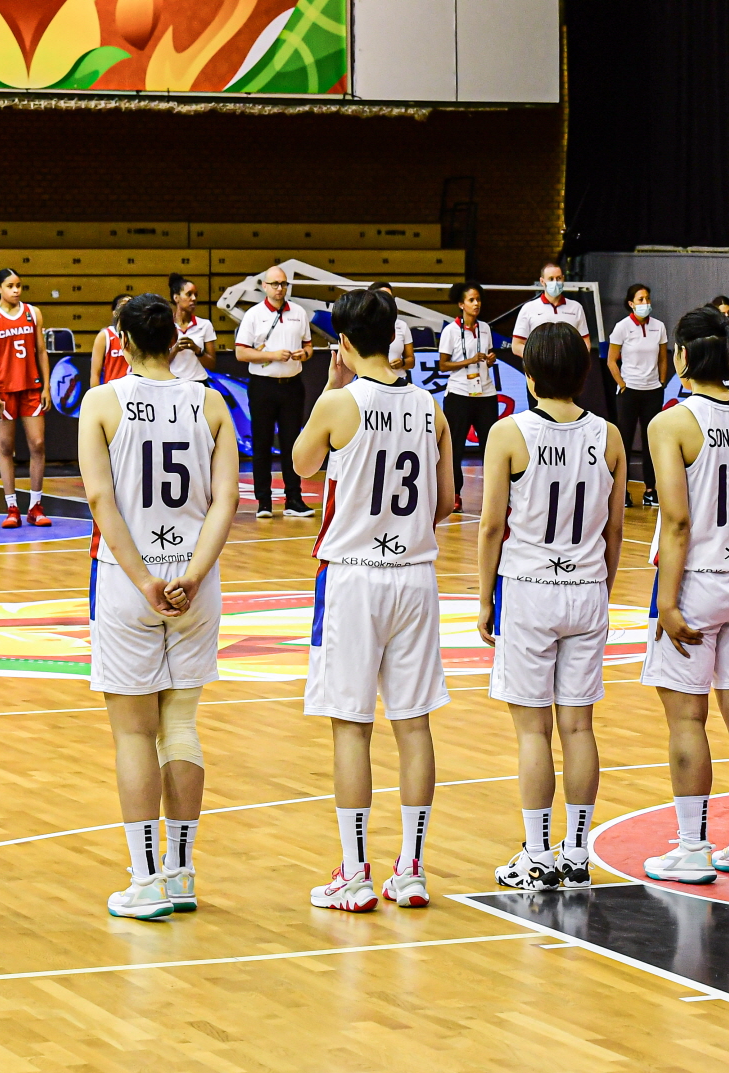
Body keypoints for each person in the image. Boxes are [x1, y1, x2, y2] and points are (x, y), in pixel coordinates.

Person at [293, 288, 456, 912]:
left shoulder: (339, 403)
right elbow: (444, 500)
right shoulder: (428, 407)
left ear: (343, 341)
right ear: (393, 337)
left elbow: (303, 466)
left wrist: (332, 385)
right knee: (413, 724)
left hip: (355, 574)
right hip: (415, 573)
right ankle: (410, 870)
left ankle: (355, 873)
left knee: (351, 727)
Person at [78, 293, 240, 920]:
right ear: (175, 340)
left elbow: (99, 499)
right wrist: (193, 574)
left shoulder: (103, 402)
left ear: (119, 338)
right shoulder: (210, 402)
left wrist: (145, 578)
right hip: (197, 581)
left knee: (132, 734)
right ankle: (181, 872)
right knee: (180, 726)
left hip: (127, 579)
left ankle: (145, 880)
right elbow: (227, 499)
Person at [478, 322, 624, 891]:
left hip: (531, 587)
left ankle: (536, 854)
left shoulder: (509, 433)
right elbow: (614, 528)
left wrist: (484, 595)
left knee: (533, 731)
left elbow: (492, 525)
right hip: (588, 588)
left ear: (529, 375)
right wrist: (603, 585)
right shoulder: (608, 435)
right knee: (579, 726)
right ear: (585, 372)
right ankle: (576, 852)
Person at [639, 306, 729, 884]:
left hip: (695, 581)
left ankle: (693, 848)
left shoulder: (670, 423)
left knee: (688, 720)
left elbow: (676, 521)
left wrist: (668, 603)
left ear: (682, 358)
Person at [234, 266, 315, 519]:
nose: (280, 288)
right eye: (275, 284)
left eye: (283, 284)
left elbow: (308, 345)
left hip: (291, 384)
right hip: (263, 386)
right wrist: (271, 355)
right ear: (264, 286)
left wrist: (305, 354)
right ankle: (264, 502)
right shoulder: (253, 315)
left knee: (293, 443)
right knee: (262, 443)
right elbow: (241, 352)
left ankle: (294, 499)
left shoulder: (298, 312)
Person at [0, 269, 51, 528]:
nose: (16, 290)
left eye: (19, 285)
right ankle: (12, 507)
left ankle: (35, 505)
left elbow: (41, 351)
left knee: (38, 444)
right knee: (6, 447)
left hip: (31, 386)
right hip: (5, 389)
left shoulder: (33, 313)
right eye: (10, 285)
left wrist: (46, 387)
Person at [608, 284, 669, 507]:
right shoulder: (622, 328)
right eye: (641, 299)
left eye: (648, 299)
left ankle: (650, 490)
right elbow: (611, 360)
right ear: (631, 303)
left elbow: (663, 357)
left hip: (652, 391)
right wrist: (622, 385)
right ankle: (621, 490)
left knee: (651, 441)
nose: (646, 303)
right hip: (629, 392)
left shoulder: (659, 327)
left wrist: (661, 382)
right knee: (623, 441)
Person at [437, 282, 496, 514]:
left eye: (478, 299)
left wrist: (489, 359)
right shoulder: (450, 331)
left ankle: (496, 494)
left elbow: (489, 355)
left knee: (491, 446)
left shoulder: (485, 328)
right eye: (471, 300)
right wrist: (469, 361)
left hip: (485, 393)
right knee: (456, 447)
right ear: (461, 304)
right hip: (459, 394)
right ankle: (455, 494)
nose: (476, 304)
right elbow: (443, 365)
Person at [511, 263, 591, 359]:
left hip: (568, 369)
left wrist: (575, 361)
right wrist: (538, 358)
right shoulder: (529, 308)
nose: (555, 282)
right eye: (551, 279)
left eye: (558, 278)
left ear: (563, 279)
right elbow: (516, 346)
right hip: (539, 370)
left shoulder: (576, 307)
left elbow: (585, 343)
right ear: (542, 281)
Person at [168, 273, 217, 382]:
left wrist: (197, 350)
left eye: (196, 295)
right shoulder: (166, 325)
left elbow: (212, 364)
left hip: (199, 382)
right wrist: (175, 349)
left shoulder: (205, 325)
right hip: (173, 383)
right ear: (176, 297)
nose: (194, 298)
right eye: (189, 294)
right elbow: (160, 363)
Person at [369, 282, 414, 371]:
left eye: (390, 297)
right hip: (371, 381)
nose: (388, 300)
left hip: (398, 380)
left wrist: (402, 363)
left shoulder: (401, 325)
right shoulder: (363, 324)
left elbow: (411, 361)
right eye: (383, 296)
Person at [90, 295, 132, 386]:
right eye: (123, 306)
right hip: (113, 390)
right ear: (114, 313)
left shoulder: (140, 334)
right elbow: (95, 374)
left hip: (135, 391)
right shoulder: (105, 336)